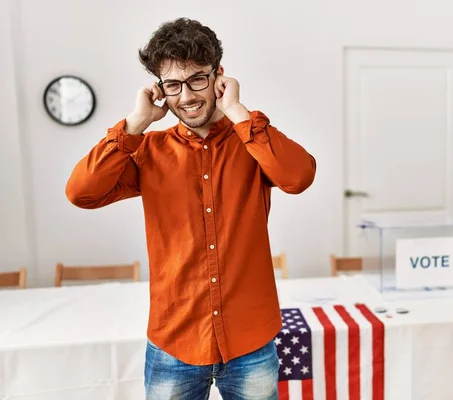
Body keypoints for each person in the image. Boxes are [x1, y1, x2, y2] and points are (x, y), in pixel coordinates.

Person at [66, 17, 316, 400]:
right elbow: (81, 192)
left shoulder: (251, 140)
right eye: (173, 85)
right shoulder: (148, 151)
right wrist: (137, 122)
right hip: (174, 343)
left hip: (250, 341)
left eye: (197, 79)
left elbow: (298, 177)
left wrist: (238, 112)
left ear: (219, 76)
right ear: (160, 90)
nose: (187, 96)